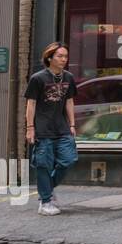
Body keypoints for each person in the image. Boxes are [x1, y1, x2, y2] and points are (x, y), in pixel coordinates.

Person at [24, 42, 79, 216]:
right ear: (50, 58)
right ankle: (45, 202)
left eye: (65, 56)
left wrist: (72, 124)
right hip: (42, 129)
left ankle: (47, 189)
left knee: (68, 159)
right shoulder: (38, 78)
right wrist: (30, 128)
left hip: (62, 128)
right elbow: (31, 104)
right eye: (60, 56)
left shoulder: (68, 78)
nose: (64, 59)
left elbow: (69, 101)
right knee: (43, 165)